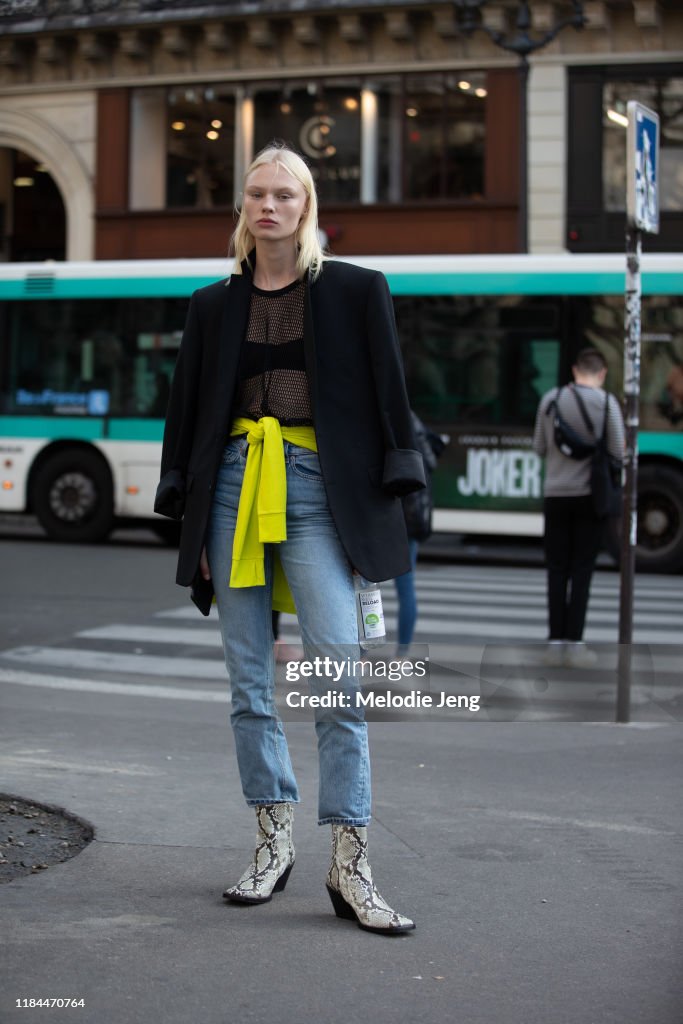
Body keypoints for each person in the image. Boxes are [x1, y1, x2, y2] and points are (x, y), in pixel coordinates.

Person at [154, 142, 425, 935]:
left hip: (317, 494)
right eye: (255, 195)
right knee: (248, 687)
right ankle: (272, 842)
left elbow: (389, 400)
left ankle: (350, 862)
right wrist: (189, 515)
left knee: (336, 681)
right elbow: (187, 418)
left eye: (283, 194)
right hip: (232, 489)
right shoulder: (211, 304)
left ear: (305, 207)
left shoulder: (354, 291)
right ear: (242, 208)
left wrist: (382, 508)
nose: (268, 206)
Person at [532, 347, 624, 667]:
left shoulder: (550, 400)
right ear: (601, 373)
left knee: (556, 570)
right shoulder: (608, 404)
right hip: (590, 497)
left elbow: (539, 447)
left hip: (556, 495)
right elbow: (617, 450)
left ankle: (554, 644)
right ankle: (575, 645)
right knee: (582, 570)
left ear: (574, 369)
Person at [394, 411, 448, 657]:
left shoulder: (388, 418)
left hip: (389, 514)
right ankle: (402, 653)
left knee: (363, 589)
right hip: (413, 516)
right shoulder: (414, 421)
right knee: (406, 588)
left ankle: (360, 655)